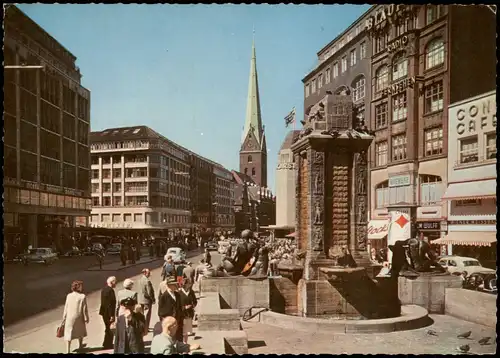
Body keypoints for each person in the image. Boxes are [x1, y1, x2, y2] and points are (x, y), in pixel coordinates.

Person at [62, 280, 89, 353]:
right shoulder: (82, 296)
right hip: (79, 316)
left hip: (69, 317)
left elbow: (66, 307)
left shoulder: (69, 296)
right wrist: (86, 318)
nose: (82, 287)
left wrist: (64, 317)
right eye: (81, 286)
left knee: (69, 333)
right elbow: (84, 309)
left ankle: (68, 350)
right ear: (78, 287)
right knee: (80, 331)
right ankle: (80, 346)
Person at [157, 277, 184, 341]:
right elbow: (160, 313)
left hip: (178, 322)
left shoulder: (177, 295)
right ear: (169, 285)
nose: (176, 286)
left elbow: (180, 308)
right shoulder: (163, 297)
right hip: (170, 325)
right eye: (174, 284)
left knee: (179, 340)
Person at [99, 276, 117, 349]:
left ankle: (106, 343)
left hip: (104, 312)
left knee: (107, 327)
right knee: (110, 328)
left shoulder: (104, 289)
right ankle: (108, 344)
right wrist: (112, 315)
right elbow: (110, 304)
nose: (116, 283)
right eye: (115, 281)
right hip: (108, 313)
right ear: (112, 282)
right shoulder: (110, 291)